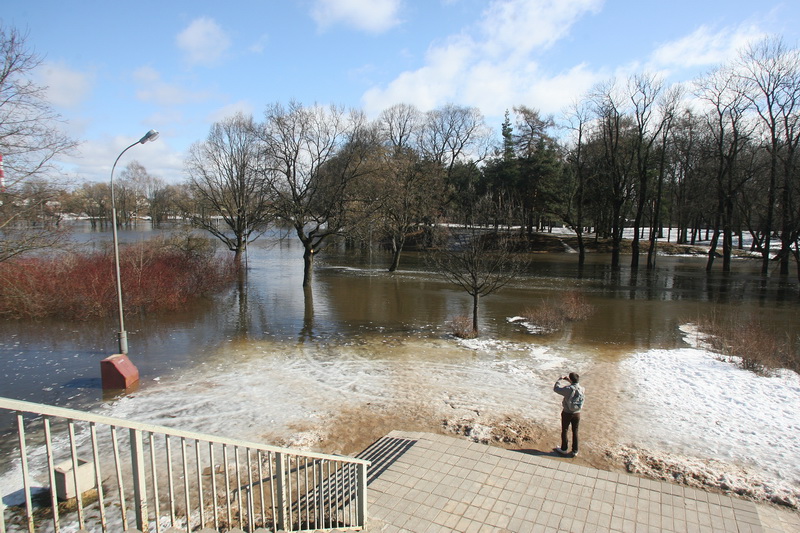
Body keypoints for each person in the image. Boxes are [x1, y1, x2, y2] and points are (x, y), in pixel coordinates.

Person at [553, 372, 584, 457]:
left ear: (570, 379)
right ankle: (575, 450)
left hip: (567, 413)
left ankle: (564, 449)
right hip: (577, 413)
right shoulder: (582, 389)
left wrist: (559, 379)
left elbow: (556, 389)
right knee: (575, 431)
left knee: (565, 430)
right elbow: (575, 386)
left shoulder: (568, 389)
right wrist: (570, 381)